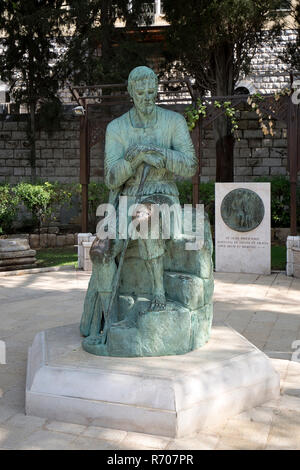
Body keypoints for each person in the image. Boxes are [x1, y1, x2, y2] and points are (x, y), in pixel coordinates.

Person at [80, 66, 197, 344]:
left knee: (146, 217)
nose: (146, 97)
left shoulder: (173, 122)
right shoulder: (117, 128)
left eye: (150, 92)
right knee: (100, 249)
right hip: (125, 199)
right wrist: (134, 159)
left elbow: (190, 165)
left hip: (162, 193)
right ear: (131, 93)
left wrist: (160, 153)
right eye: (140, 92)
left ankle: (158, 292)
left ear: (156, 90)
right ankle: (108, 317)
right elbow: (110, 178)